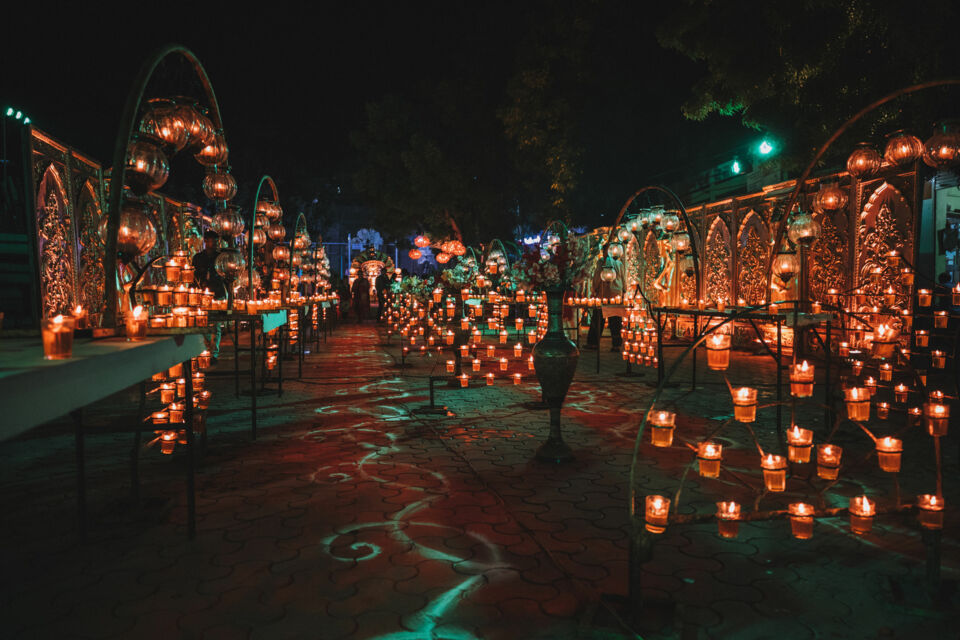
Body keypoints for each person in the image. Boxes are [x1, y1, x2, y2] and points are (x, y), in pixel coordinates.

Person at [191, 230, 225, 360]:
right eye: (210, 241)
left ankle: (214, 354)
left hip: (217, 294)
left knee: (216, 326)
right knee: (203, 324)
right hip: (202, 295)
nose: (213, 245)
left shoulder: (221, 257)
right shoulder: (198, 258)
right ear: (205, 242)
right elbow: (194, 276)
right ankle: (204, 351)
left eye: (215, 242)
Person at [586, 243, 625, 351]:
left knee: (598, 318)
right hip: (616, 293)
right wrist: (624, 290)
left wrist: (594, 289)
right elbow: (623, 277)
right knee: (615, 320)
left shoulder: (602, 262)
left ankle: (593, 342)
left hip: (604, 293)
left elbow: (598, 277)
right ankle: (616, 344)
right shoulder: (619, 263)